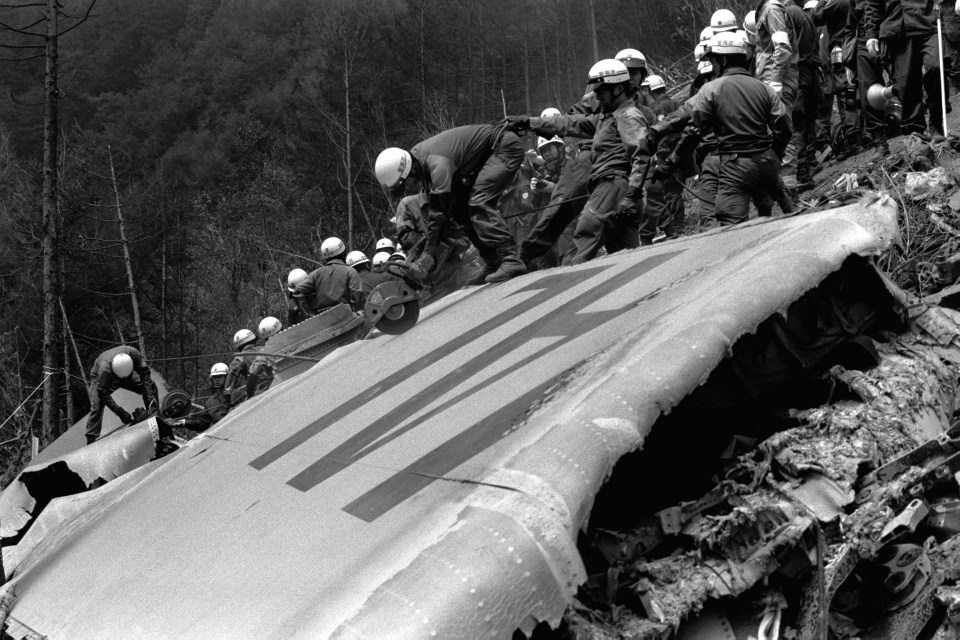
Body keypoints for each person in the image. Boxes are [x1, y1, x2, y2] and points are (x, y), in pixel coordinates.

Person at [505, 58, 649, 264]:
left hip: (611, 188)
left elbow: (641, 155)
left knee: (579, 247)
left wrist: (632, 194)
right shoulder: (606, 118)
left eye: (601, 90)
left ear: (618, 88)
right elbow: (568, 122)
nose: (597, 96)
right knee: (626, 256)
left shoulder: (627, 116)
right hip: (617, 191)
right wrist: (529, 122)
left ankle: (569, 289)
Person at [644, 31, 792, 225]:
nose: (712, 67)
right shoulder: (764, 88)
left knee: (730, 225)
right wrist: (774, 154)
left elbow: (693, 129)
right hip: (767, 162)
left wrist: (668, 157)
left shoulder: (712, 89)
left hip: (736, 167)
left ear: (722, 59)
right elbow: (784, 126)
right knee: (782, 212)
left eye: (713, 61)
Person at [374, 123, 527, 284]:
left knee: (478, 202)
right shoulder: (418, 160)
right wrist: (427, 250)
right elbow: (442, 210)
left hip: (504, 147)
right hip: (484, 157)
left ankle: (511, 258)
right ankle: (493, 260)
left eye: (408, 182)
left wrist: (427, 254)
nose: (411, 185)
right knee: (458, 211)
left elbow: (438, 213)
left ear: (409, 171)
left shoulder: (436, 164)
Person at [865, 0, 949, 140]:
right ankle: (916, 132)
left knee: (936, 66)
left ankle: (936, 122)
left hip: (927, 22)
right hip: (897, 28)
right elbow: (872, 4)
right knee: (906, 82)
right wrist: (872, 34)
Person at [642, 74, 693, 241]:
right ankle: (677, 227)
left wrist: (659, 156)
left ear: (649, 90)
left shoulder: (659, 108)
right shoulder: (675, 104)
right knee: (673, 192)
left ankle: (676, 229)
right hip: (681, 153)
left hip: (668, 155)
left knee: (670, 193)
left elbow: (662, 135)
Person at [85, 345, 158, 444]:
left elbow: (145, 375)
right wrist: (120, 412)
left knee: (151, 386)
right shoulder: (105, 370)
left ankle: (155, 413)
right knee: (97, 405)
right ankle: (91, 438)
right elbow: (103, 394)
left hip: (128, 375)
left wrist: (150, 399)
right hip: (101, 378)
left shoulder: (133, 354)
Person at [293, 237, 364, 314]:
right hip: (346, 316)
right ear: (344, 254)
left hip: (324, 319)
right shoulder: (350, 271)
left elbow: (297, 292)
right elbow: (357, 294)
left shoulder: (316, 274)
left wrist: (309, 315)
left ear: (325, 257)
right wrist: (355, 312)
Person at [165, 363, 230, 432]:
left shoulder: (237, 394)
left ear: (227, 377)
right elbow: (203, 424)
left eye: (220, 377)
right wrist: (185, 422)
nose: (217, 380)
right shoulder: (210, 402)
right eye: (214, 377)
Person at [247, 316, 281, 399]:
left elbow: (253, 373)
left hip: (279, 384)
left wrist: (249, 395)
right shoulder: (295, 335)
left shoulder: (264, 352)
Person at [224, 328, 257, 409]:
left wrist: (227, 394)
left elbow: (232, 372)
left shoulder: (240, 357)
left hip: (256, 391)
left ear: (239, 346)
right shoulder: (265, 348)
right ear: (253, 340)